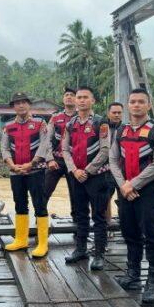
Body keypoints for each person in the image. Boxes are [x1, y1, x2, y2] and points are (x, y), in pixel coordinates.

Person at [109, 88, 154, 304]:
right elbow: (113, 160)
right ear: (128, 105)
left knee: (152, 236)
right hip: (125, 191)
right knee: (130, 232)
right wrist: (123, 186)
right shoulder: (120, 131)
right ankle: (133, 274)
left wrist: (131, 184)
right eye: (132, 101)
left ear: (148, 105)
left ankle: (153, 282)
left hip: (148, 193)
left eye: (140, 102)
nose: (136, 105)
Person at [62, 86, 111, 268]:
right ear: (75, 101)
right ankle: (80, 249)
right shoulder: (70, 124)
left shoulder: (101, 123)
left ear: (93, 101)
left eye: (85, 97)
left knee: (99, 216)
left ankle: (99, 254)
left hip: (97, 177)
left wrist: (88, 171)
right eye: (79, 97)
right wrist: (74, 170)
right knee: (81, 214)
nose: (81, 100)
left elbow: (105, 150)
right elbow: (65, 150)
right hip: (76, 177)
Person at [2, 92, 51, 258]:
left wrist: (32, 163)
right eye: (17, 103)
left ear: (29, 104)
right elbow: (5, 148)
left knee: (40, 204)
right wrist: (12, 165)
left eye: (23, 102)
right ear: (13, 107)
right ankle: (21, 239)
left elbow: (44, 145)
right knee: (19, 204)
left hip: (36, 171)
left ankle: (43, 243)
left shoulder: (40, 123)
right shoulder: (8, 126)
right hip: (16, 172)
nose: (20, 105)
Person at [43, 87, 76, 216]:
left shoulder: (82, 118)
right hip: (56, 160)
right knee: (45, 189)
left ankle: (76, 220)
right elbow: (47, 140)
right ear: (63, 99)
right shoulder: (55, 118)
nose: (69, 97)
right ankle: (40, 218)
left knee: (76, 194)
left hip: (75, 162)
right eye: (67, 95)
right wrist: (49, 158)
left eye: (72, 95)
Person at [104, 102, 124, 227]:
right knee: (105, 198)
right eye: (114, 112)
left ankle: (125, 223)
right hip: (106, 169)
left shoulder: (127, 129)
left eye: (119, 113)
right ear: (108, 113)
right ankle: (107, 225)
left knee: (124, 197)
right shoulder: (102, 127)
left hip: (123, 169)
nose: (116, 115)